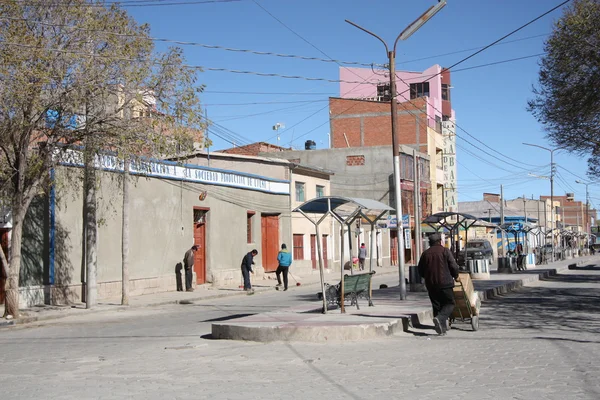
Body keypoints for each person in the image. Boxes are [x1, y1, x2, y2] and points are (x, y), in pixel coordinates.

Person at [418, 233, 459, 336]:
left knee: (436, 305)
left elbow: (420, 270)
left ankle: (441, 329)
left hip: (431, 284)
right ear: (440, 242)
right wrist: (456, 275)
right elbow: (453, 266)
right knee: (450, 303)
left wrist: (427, 277)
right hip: (445, 283)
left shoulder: (425, 254)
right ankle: (440, 319)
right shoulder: (445, 251)